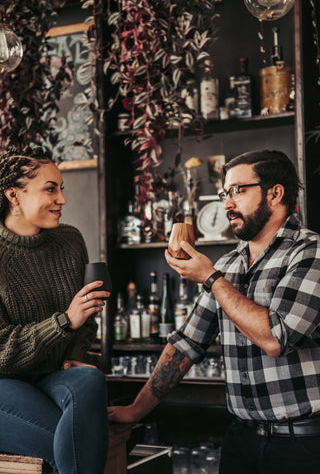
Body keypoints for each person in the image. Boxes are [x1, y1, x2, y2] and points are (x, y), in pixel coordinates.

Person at [108, 149, 320, 474]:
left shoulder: (310, 252)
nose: (227, 204)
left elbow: (276, 337)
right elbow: (186, 343)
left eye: (238, 190)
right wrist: (136, 410)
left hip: (301, 444)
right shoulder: (228, 264)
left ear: (275, 192)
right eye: (225, 193)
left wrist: (210, 278)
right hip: (240, 440)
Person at [0, 146, 109, 474]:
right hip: (5, 380)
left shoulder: (69, 241)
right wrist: (63, 322)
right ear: (14, 195)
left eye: (62, 189)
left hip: (56, 372)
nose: (62, 199)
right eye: (51, 188)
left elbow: (87, 314)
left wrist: (76, 350)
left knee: (90, 377)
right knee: (79, 444)